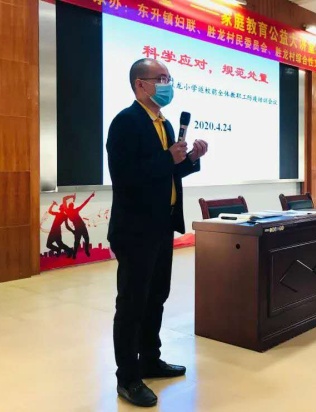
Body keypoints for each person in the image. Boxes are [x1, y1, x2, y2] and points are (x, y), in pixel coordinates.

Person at [106, 58, 208, 407]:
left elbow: (167, 173)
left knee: (156, 297)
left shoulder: (164, 123)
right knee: (132, 303)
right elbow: (125, 176)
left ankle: (150, 359)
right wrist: (168, 159)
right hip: (135, 229)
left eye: (169, 78)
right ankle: (127, 378)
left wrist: (190, 159)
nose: (168, 84)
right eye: (161, 78)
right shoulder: (126, 122)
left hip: (162, 225)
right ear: (141, 84)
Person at [63, 192, 95, 258]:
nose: (72, 205)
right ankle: (84, 251)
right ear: (72, 206)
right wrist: (90, 196)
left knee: (77, 242)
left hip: (78, 228)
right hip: (81, 227)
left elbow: (64, 199)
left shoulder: (67, 211)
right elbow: (84, 203)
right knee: (85, 239)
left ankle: (75, 254)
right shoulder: (75, 210)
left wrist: (72, 196)